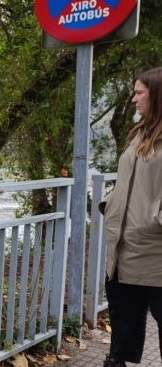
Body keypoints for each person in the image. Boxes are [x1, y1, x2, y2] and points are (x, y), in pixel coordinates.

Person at [100, 67, 162, 367]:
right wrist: (108, 203)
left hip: (156, 250)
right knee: (121, 329)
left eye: (139, 92)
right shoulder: (140, 133)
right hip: (124, 249)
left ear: (157, 94)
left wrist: (154, 219)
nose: (134, 99)